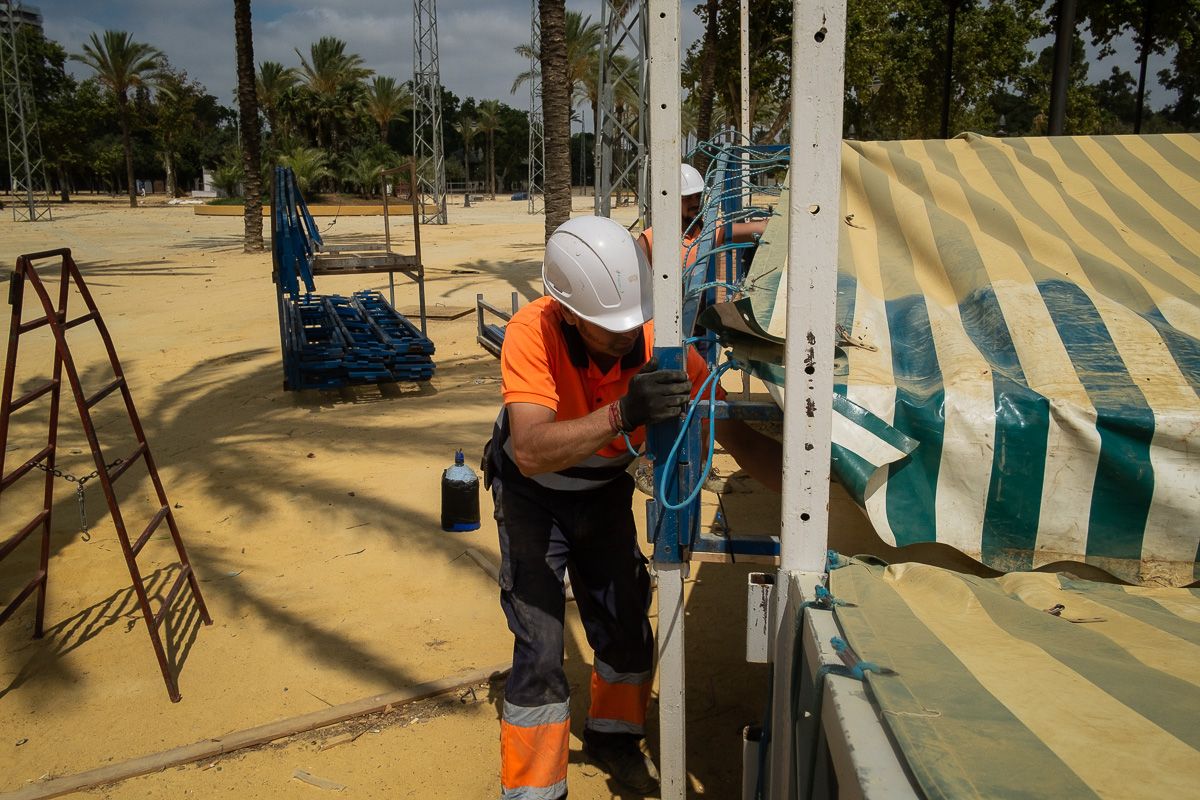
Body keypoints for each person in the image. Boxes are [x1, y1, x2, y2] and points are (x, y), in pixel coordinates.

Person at [483, 215, 781, 800]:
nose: (627, 335)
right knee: (540, 644)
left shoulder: (657, 345)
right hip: (532, 498)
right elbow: (532, 450)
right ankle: (535, 791)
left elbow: (737, 438)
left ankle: (614, 737)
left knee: (624, 619)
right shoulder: (532, 331)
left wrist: (812, 489)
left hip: (602, 492)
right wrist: (624, 413)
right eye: (609, 326)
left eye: (633, 319)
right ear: (569, 312)